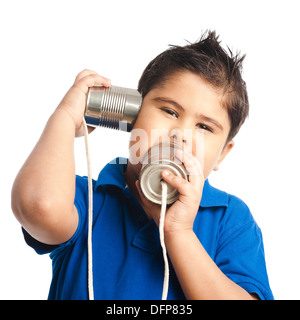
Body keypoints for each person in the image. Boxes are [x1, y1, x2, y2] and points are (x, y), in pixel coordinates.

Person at [11, 31, 273, 300]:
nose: (180, 133)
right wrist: (65, 118)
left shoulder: (229, 218)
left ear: (221, 155)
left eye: (204, 127)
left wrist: (178, 233)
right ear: (131, 116)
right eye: (169, 111)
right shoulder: (86, 201)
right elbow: (38, 205)